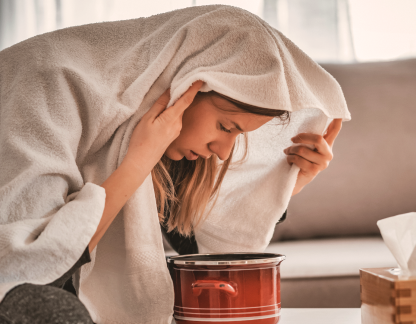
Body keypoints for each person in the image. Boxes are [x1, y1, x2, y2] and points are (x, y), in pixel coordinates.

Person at [0, 4, 349, 324]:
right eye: (226, 127)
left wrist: (287, 183)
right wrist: (139, 161)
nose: (225, 151)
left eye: (238, 136)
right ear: (186, 85)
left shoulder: (158, 141)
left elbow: (207, 253)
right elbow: (35, 265)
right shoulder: (47, 84)